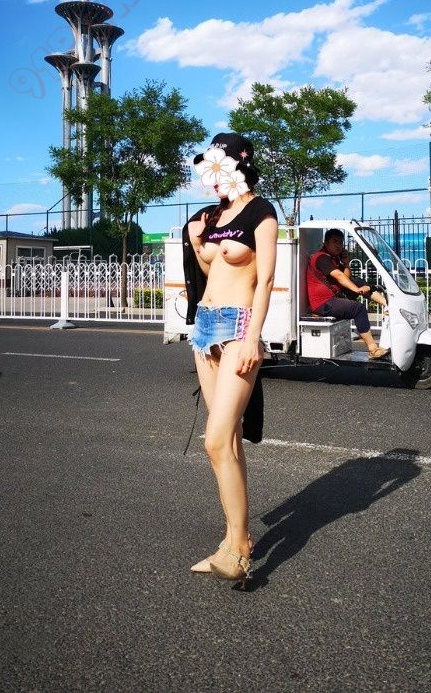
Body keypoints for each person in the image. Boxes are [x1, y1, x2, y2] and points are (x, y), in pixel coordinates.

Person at [185, 132, 278, 588]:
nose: (214, 177)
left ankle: (239, 547)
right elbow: (212, 270)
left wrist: (253, 337)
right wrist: (196, 240)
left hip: (238, 328)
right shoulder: (213, 216)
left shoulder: (262, 212)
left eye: (220, 168)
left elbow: (265, 280)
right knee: (230, 441)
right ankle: (231, 541)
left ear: (240, 165)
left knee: (215, 440)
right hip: (204, 329)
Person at [306, 228, 389, 359]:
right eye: (335, 242)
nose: (339, 245)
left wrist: (345, 263)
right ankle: (373, 349)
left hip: (332, 297)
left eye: (341, 242)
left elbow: (346, 277)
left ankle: (388, 305)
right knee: (358, 309)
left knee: (358, 281)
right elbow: (339, 276)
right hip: (323, 303)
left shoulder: (333, 258)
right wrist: (356, 290)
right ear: (326, 243)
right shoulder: (321, 258)